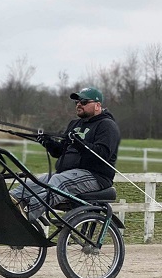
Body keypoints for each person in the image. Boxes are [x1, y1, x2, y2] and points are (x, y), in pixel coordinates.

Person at [11, 86, 120, 221]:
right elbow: (61, 151)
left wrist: (80, 144)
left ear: (97, 105)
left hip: (95, 176)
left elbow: (102, 155)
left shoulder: (107, 125)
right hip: (68, 173)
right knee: (36, 182)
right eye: (77, 102)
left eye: (84, 102)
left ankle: (27, 211)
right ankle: (10, 203)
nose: (79, 104)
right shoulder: (75, 124)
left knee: (59, 180)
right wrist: (48, 142)